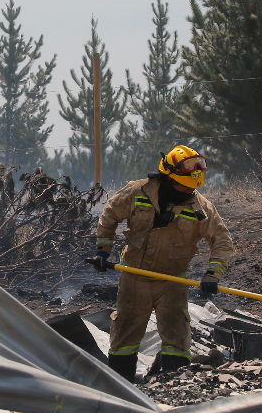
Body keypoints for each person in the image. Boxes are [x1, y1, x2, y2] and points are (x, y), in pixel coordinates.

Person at [92, 145, 234, 382]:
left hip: (173, 282)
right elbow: (110, 215)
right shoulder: (137, 192)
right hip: (134, 277)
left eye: (192, 187)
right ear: (169, 177)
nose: (188, 191)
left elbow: (222, 241)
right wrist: (103, 250)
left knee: (177, 339)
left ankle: (173, 388)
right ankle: (120, 385)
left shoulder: (201, 208)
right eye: (183, 185)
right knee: (125, 337)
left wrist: (213, 275)